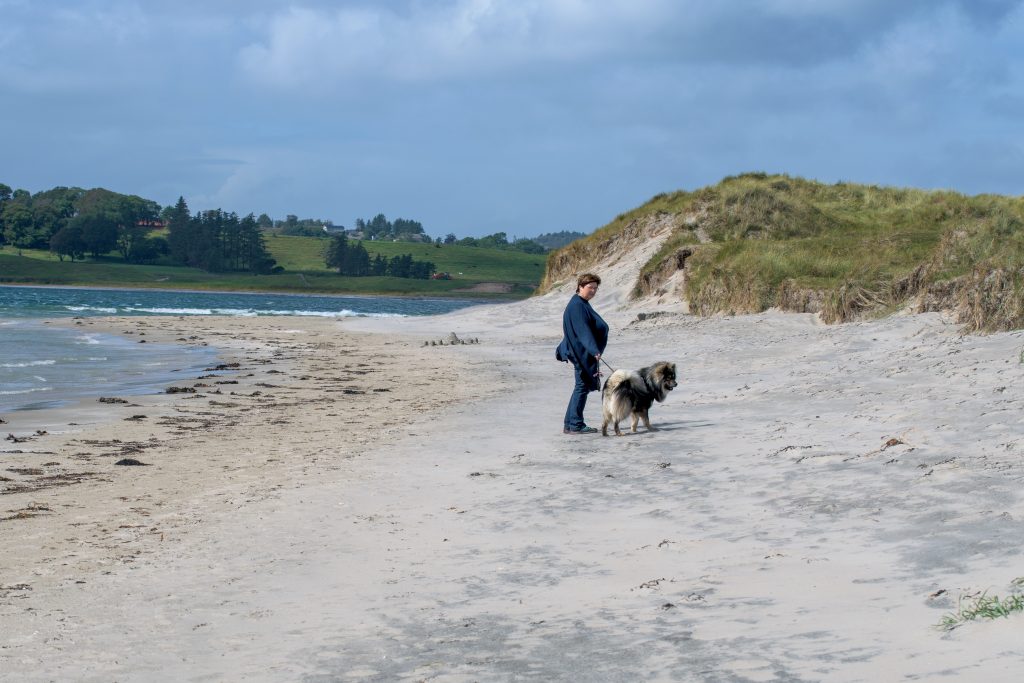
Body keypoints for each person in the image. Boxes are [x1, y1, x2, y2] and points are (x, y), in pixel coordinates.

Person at [556, 273, 609, 434]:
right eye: (590, 287)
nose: (593, 291)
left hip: (582, 351)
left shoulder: (581, 303)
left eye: (595, 288)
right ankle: (576, 425)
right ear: (580, 287)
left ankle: (569, 424)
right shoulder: (577, 306)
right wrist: (594, 350)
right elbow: (582, 331)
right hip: (580, 352)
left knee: (581, 386)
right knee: (582, 386)